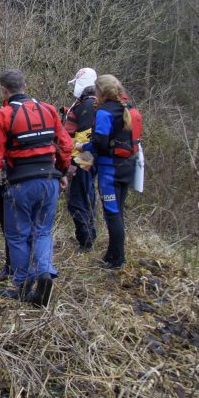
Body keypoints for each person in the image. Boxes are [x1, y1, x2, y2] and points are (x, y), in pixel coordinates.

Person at [0, 69, 72, 307]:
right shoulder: (49, 110)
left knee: (17, 236)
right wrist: (61, 171)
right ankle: (44, 271)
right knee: (42, 231)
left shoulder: (2, 116)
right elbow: (65, 145)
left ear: (3, 90)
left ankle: (22, 284)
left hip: (20, 183)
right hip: (49, 181)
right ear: (25, 85)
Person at [81, 74, 141, 270]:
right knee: (118, 211)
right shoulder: (128, 109)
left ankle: (118, 260)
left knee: (112, 214)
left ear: (100, 91)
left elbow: (100, 142)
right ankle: (111, 254)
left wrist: (84, 147)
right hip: (128, 166)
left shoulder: (105, 113)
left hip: (110, 170)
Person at [64, 67, 98, 253]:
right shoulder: (88, 104)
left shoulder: (87, 106)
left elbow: (85, 139)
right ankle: (89, 237)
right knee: (86, 197)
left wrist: (75, 165)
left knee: (78, 200)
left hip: (84, 161)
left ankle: (86, 241)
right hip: (86, 160)